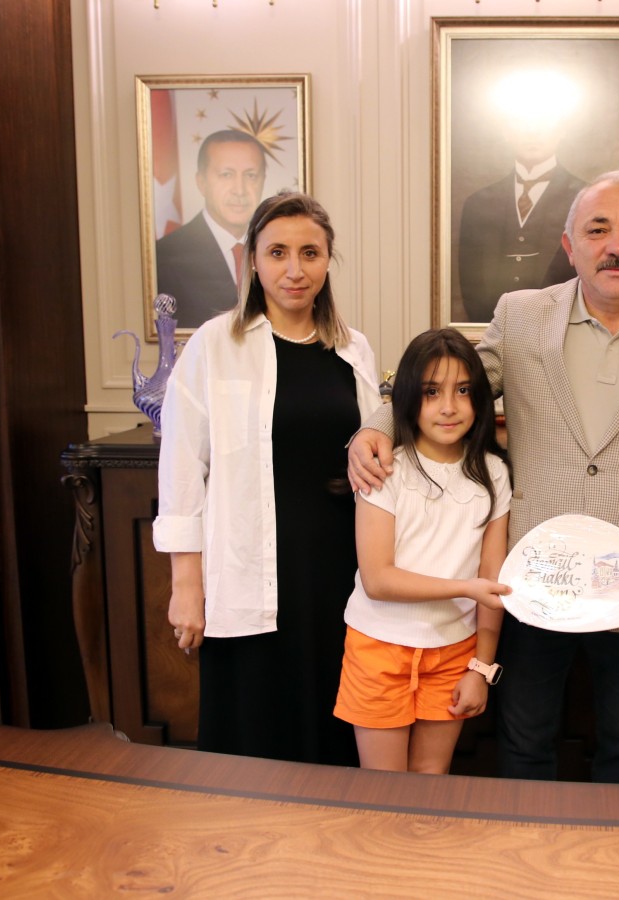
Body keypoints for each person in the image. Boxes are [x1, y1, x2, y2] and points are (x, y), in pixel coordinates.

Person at [349, 171, 619, 784]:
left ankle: (616, 849)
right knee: (523, 742)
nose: (617, 246)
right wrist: (375, 427)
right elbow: (455, 384)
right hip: (532, 578)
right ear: (569, 244)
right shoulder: (521, 316)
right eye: (598, 230)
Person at [154, 191, 381, 765]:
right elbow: (182, 466)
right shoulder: (215, 344)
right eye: (277, 252)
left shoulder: (353, 349)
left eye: (310, 253)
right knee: (253, 725)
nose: (294, 269)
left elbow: (373, 448)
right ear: (252, 261)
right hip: (248, 567)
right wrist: (186, 585)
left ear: (327, 261)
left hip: (336, 567)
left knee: (332, 716)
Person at [334, 328, 512, 774]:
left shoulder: (494, 473)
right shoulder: (385, 469)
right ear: (409, 397)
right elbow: (378, 580)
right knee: (385, 788)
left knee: (432, 782)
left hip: (455, 651)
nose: (449, 407)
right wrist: (465, 588)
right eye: (432, 392)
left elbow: (493, 584)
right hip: (379, 647)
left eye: (463, 391)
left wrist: (481, 667)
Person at [457, 117, 586, 322]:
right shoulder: (477, 204)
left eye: (544, 122)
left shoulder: (586, 200)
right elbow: (471, 287)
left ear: (562, 130)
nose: (532, 132)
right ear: (506, 133)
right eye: (521, 122)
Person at [156, 130, 267, 329]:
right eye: (226, 175)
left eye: (251, 176)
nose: (240, 190)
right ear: (201, 183)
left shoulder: (278, 250)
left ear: (263, 181)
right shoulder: (163, 258)